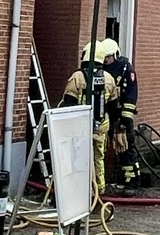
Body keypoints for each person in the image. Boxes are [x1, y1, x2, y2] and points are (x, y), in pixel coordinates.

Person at [60, 41, 120, 196]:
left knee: (77, 159)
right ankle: (98, 190)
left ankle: (79, 190)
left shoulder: (77, 77)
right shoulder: (109, 78)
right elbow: (114, 108)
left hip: (80, 127)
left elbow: (68, 103)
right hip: (101, 127)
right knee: (98, 158)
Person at [100, 38, 140, 189]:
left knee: (126, 149)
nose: (106, 61)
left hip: (121, 117)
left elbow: (131, 95)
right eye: (104, 58)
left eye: (108, 57)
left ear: (115, 55)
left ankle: (132, 181)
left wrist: (125, 120)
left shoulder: (126, 70)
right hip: (106, 116)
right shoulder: (101, 71)